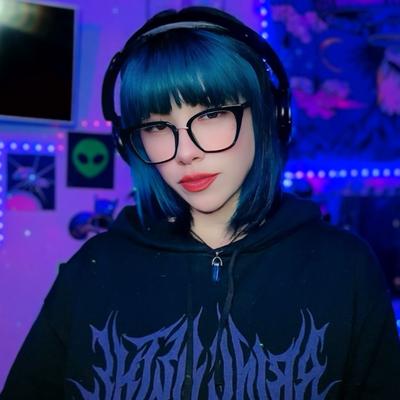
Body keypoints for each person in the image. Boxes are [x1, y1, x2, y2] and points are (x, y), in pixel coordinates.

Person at [1, 6, 400, 400]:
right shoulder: (92, 268)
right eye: (158, 125)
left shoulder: (345, 268)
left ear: (269, 116)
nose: (185, 152)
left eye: (211, 114)